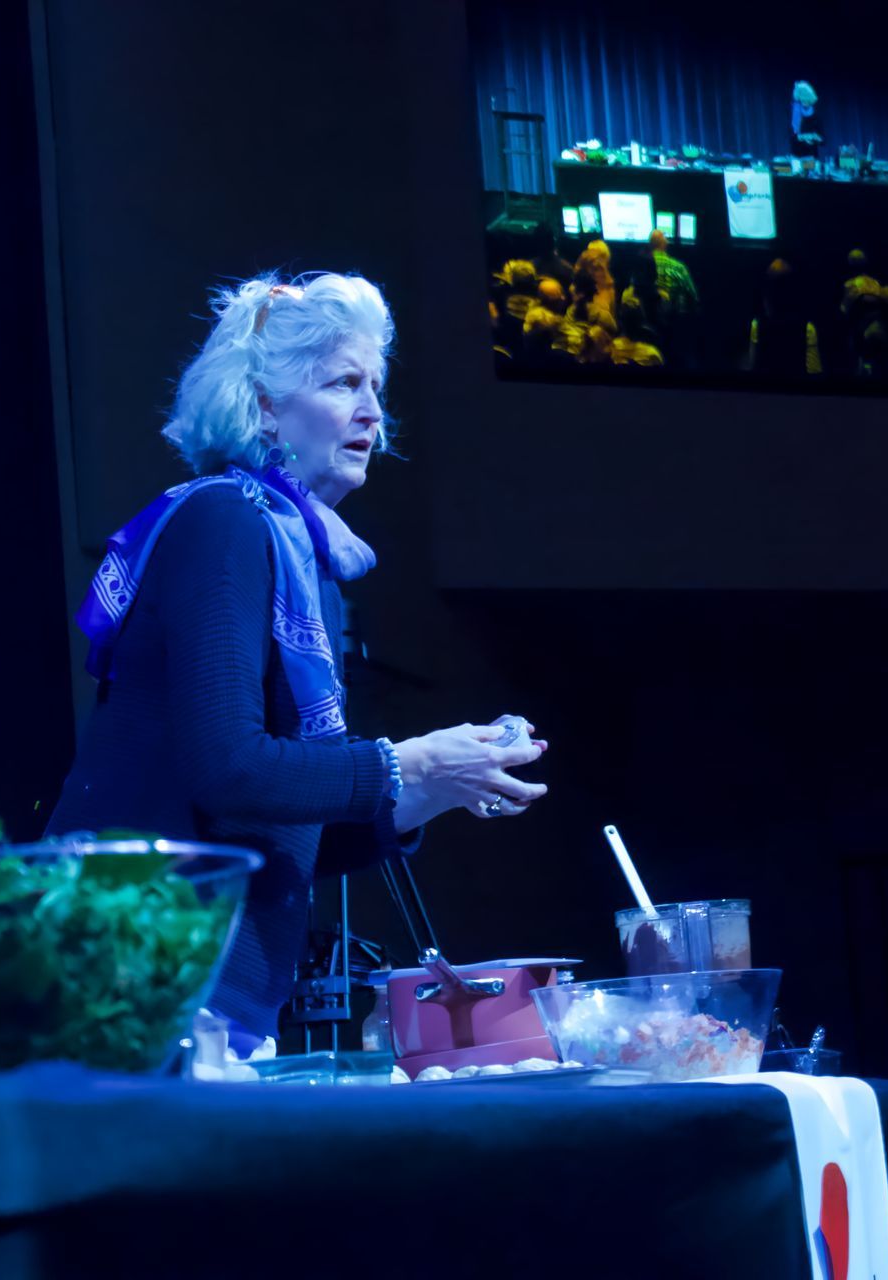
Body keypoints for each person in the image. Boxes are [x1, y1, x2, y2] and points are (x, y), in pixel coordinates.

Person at [48, 272, 549, 1057]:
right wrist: (397, 764)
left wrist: (426, 789)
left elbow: (279, 834)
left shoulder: (291, 551)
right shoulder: (225, 520)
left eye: (376, 386)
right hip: (133, 984)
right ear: (266, 405)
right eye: (344, 382)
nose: (374, 414)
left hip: (199, 996)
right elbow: (229, 768)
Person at [790, 81, 823, 167]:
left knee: (810, 178)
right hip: (796, 158)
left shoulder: (816, 117)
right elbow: (792, 137)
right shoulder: (794, 115)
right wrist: (805, 136)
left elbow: (823, 140)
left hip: (810, 158)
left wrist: (816, 138)